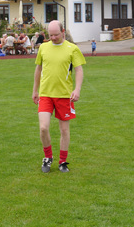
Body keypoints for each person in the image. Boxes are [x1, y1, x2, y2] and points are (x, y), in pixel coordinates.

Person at [32, 20, 86, 173]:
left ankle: (63, 161)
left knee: (64, 130)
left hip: (64, 95)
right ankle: (48, 157)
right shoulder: (43, 47)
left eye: (56, 35)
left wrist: (77, 89)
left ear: (63, 32)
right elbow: (38, 69)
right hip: (46, 94)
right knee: (43, 128)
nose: (53, 37)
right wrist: (35, 90)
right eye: (50, 35)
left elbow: (79, 70)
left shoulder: (72, 49)